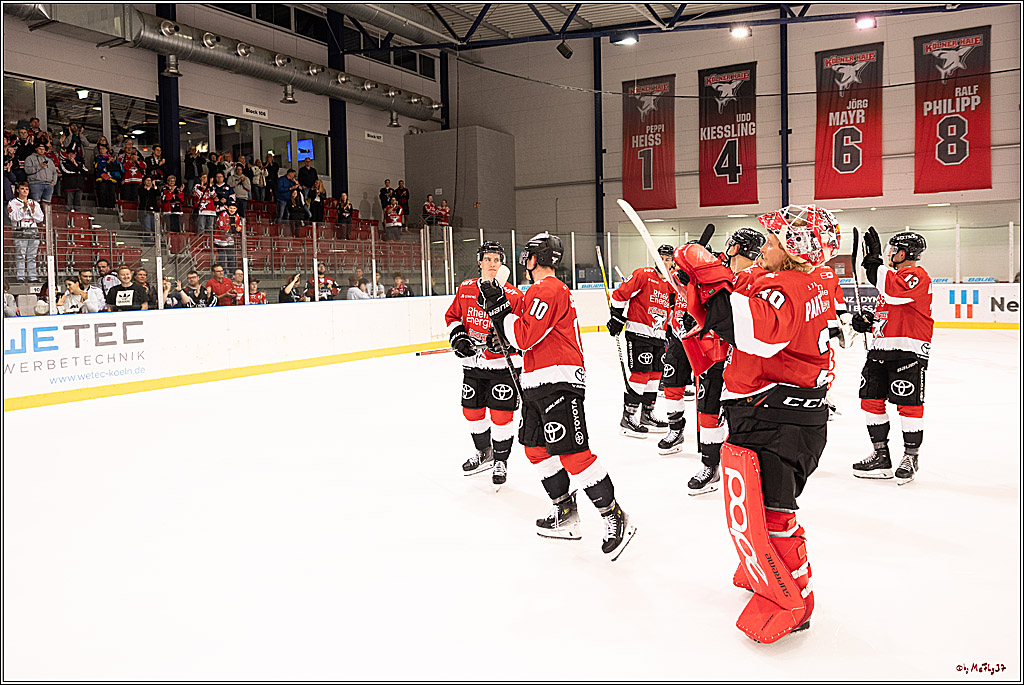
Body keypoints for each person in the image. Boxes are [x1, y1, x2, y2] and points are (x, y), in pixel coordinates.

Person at [672, 204, 840, 643]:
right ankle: (763, 567)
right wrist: (701, 287)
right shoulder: (815, 279)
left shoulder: (788, 286)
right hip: (783, 413)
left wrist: (706, 275)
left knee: (775, 512)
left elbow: (753, 328)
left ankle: (796, 600)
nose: (764, 245)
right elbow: (745, 294)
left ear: (794, 248)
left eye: (773, 240)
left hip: (777, 417)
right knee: (759, 506)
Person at [478, 232, 636, 559]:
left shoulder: (549, 289)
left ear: (536, 259)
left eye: (527, 256)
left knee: (574, 454)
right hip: (537, 380)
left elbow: (522, 333)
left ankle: (615, 516)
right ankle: (565, 513)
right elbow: (518, 322)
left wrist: (501, 316)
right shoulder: (537, 291)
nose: (524, 262)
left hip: (558, 380)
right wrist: (498, 304)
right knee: (535, 449)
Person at [680, 228, 766, 495]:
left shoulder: (751, 279)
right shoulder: (732, 276)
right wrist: (690, 283)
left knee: (735, 416)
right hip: (717, 355)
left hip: (738, 359)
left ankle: (737, 468)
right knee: (708, 412)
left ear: (735, 248)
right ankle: (710, 464)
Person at [851, 229, 933, 485]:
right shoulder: (892, 280)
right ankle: (880, 455)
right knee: (870, 400)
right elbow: (887, 313)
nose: (889, 254)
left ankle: (910, 456)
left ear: (905, 253)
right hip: (880, 351)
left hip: (907, 352)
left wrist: (872, 261)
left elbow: (894, 291)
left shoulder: (916, 276)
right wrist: (866, 322)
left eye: (893, 250)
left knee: (908, 405)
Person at [444, 242, 523, 486]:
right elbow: (453, 317)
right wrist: (458, 338)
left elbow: (523, 331)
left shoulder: (514, 295)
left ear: (502, 264)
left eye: (496, 259)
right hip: (473, 364)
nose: (491, 264)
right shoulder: (466, 289)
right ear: (479, 262)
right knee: (472, 411)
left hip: (502, 367)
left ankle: (501, 459)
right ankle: (484, 452)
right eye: (487, 259)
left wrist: (509, 344)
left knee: (501, 416)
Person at [607, 245, 673, 437]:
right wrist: (617, 316)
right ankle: (628, 416)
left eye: (668, 259)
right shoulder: (643, 274)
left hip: (658, 337)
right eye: (662, 258)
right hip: (639, 334)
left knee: (655, 375)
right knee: (641, 374)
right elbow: (620, 294)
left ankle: (648, 413)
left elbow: (670, 308)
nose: (665, 262)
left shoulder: (670, 283)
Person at [7, 181, 44, 282]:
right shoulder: (13, 203)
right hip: (20, 231)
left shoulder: (34, 203)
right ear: (18, 190)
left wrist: (32, 211)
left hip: (33, 231)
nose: (25, 191)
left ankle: (33, 277)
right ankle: (21, 277)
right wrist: (23, 209)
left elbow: (40, 218)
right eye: (22, 189)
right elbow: (13, 218)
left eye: (27, 189)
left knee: (32, 256)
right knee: (20, 255)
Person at [213, 201, 241, 272]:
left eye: (234, 208)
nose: (232, 210)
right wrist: (234, 229)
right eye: (231, 208)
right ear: (228, 208)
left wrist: (238, 229)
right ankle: (223, 273)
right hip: (220, 240)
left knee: (231, 258)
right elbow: (222, 227)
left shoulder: (237, 216)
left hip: (230, 240)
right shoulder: (223, 215)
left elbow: (240, 226)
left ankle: (232, 273)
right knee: (222, 258)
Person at [58, 146, 86, 211]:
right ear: (67, 155)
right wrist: (77, 172)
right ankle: (67, 219)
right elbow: (66, 172)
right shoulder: (64, 163)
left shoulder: (80, 163)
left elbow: (85, 171)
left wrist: (76, 165)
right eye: (69, 154)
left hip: (79, 187)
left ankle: (77, 218)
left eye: (72, 154)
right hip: (69, 187)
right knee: (68, 205)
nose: (71, 156)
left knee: (78, 205)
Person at [93, 144, 120, 208]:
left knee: (111, 195)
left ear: (107, 150)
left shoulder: (112, 158)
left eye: (103, 148)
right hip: (101, 179)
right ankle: (102, 209)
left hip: (111, 179)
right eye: (100, 149)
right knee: (102, 194)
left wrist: (113, 162)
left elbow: (117, 168)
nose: (101, 150)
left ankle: (111, 210)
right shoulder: (98, 158)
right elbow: (97, 167)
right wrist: (107, 162)